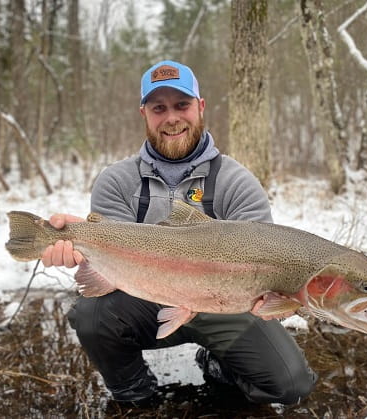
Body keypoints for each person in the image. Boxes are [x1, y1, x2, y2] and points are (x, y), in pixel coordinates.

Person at [41, 60, 317, 407]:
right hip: (144, 297)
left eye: (182, 105)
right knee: (92, 314)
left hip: (224, 307)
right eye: (159, 108)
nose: (171, 117)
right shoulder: (116, 181)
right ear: (144, 113)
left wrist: (283, 297)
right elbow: (105, 253)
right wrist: (74, 243)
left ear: (200, 107)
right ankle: (135, 392)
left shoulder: (237, 181)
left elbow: (267, 264)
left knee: (290, 385)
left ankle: (218, 366)